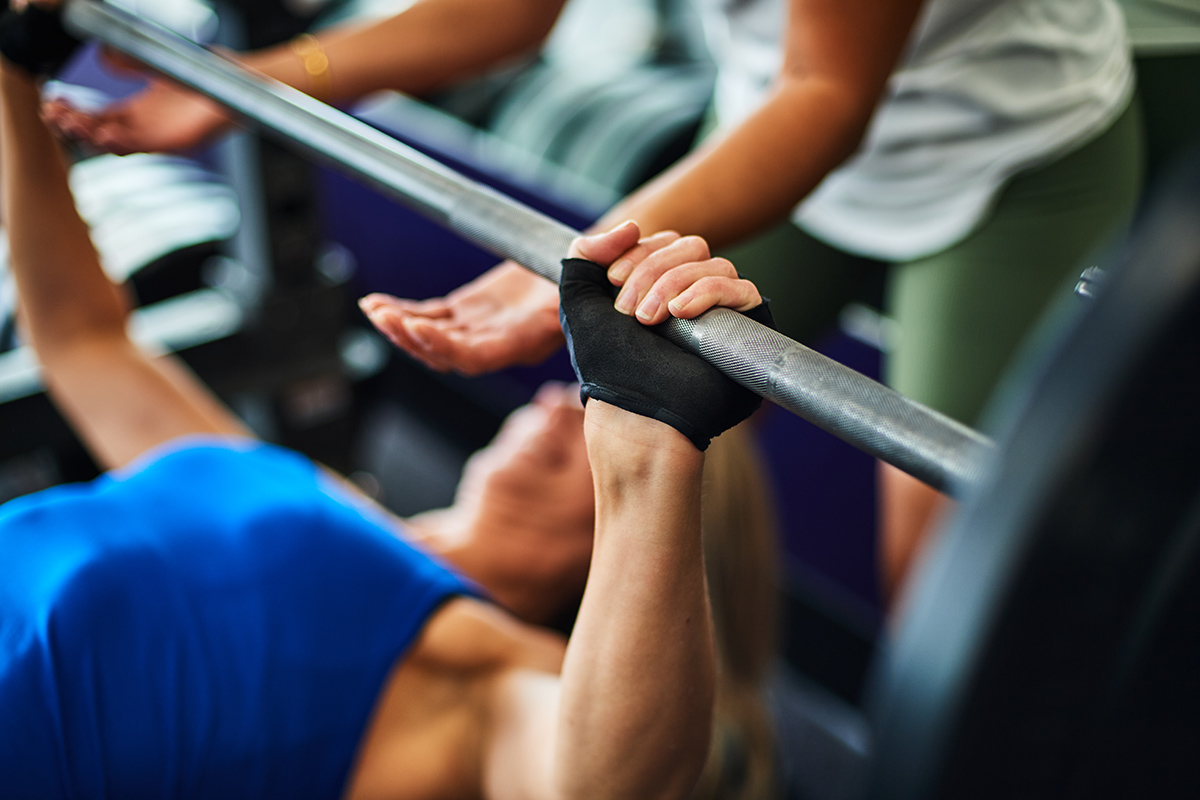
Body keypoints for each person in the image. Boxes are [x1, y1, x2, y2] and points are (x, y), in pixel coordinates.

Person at [44, 0, 1141, 601]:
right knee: (613, 436)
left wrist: (572, 259)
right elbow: (515, 12)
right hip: (778, 119)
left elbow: (831, 90)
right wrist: (249, 90)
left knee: (942, 582)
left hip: (1000, 158)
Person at [0, 9, 784, 793]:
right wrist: (12, 75)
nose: (559, 406)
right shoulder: (311, 496)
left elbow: (610, 787)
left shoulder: (484, 674)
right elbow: (83, 341)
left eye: (587, 419)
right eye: (582, 400)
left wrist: (647, 450)